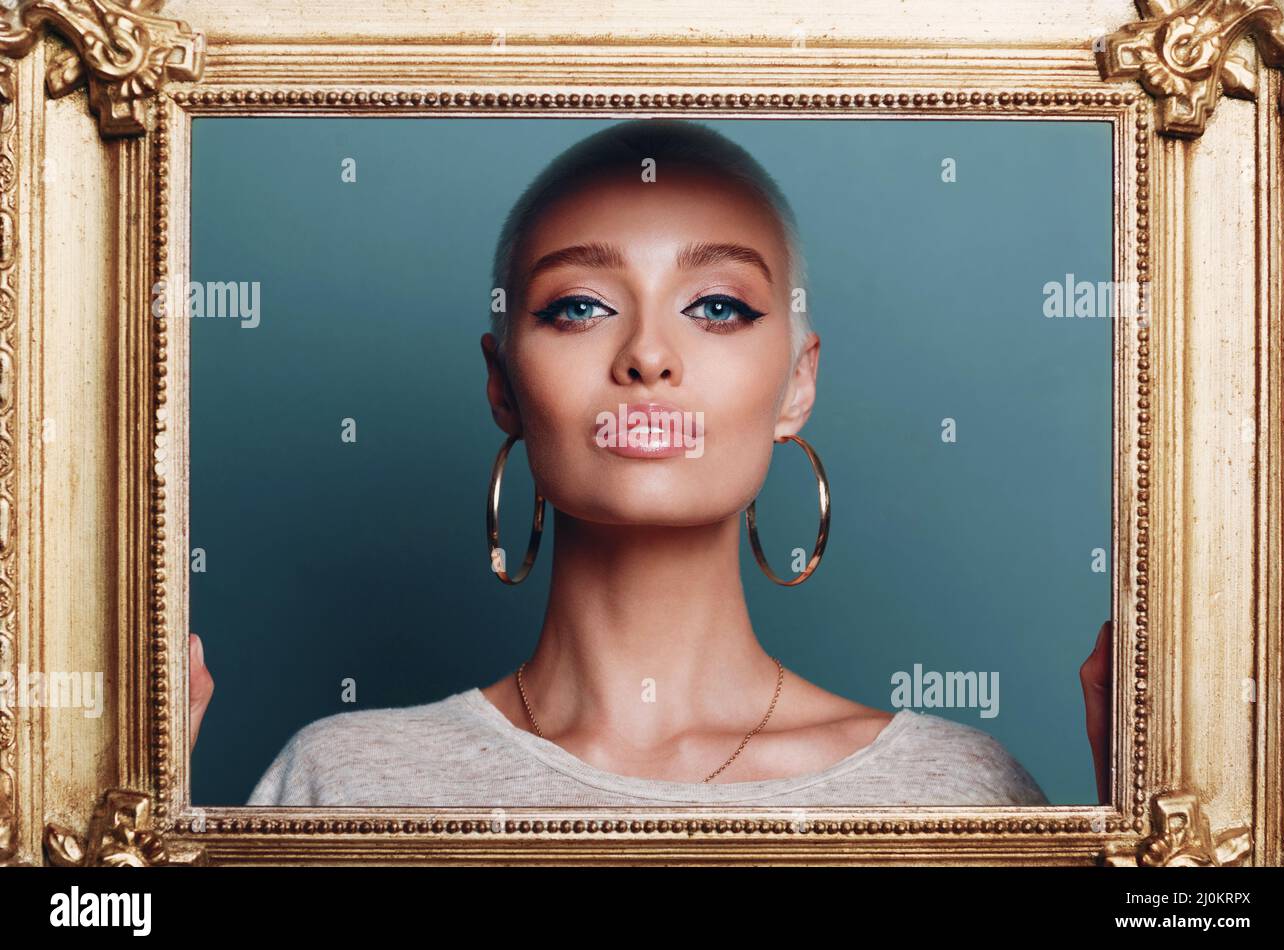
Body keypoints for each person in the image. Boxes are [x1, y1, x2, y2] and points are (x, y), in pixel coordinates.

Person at [191, 119, 1112, 807]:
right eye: (579, 307)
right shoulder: (344, 779)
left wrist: (1161, 867)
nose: (648, 357)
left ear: (797, 383)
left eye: (717, 306)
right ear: (502, 384)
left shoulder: (951, 789)